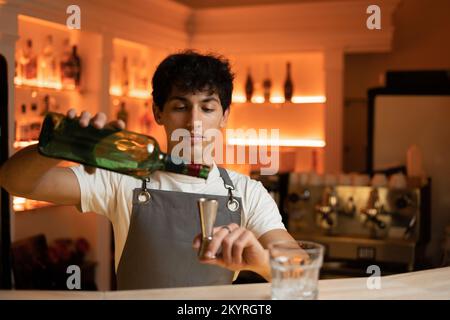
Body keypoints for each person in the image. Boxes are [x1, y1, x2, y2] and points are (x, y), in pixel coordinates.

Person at [0, 50, 295, 290]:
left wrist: (262, 262)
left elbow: (298, 270)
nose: (194, 123)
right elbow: (16, 182)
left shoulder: (248, 193)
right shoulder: (122, 178)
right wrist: (60, 145)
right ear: (158, 112)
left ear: (224, 117)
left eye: (207, 108)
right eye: (181, 107)